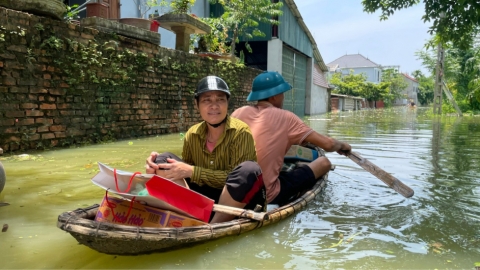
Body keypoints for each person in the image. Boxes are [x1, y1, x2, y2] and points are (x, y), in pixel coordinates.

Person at [145, 76, 266, 223]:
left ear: (227, 103)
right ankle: (192, 216)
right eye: (206, 100)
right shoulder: (192, 134)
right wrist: (155, 167)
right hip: (206, 198)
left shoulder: (241, 132)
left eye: (220, 99)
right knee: (163, 160)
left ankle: (214, 225)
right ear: (197, 105)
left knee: (249, 169)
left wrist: (192, 171)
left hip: (237, 201)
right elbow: (184, 178)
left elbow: (239, 180)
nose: (214, 106)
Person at [232, 71, 352, 205]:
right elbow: (328, 145)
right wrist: (343, 146)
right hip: (266, 195)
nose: (283, 97)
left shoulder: (238, 112)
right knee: (324, 162)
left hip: (232, 192)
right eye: (282, 93)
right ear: (274, 97)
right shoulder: (287, 117)